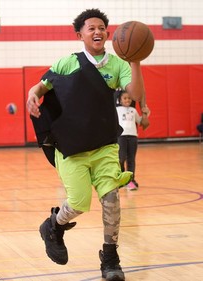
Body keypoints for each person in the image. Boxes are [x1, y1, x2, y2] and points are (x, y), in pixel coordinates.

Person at [27, 9, 146, 281]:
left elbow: (135, 94)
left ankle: (110, 256)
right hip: (71, 147)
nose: (97, 31)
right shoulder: (68, 62)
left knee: (112, 200)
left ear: (108, 33)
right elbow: (41, 87)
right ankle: (53, 225)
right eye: (91, 28)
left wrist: (136, 61)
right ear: (79, 34)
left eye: (102, 27)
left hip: (104, 145)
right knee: (79, 203)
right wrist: (31, 96)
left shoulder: (118, 65)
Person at [116, 90, 150, 190]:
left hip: (132, 137)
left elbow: (140, 121)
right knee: (121, 158)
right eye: (125, 98)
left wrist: (146, 113)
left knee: (131, 159)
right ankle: (122, 177)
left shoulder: (133, 110)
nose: (127, 100)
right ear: (120, 100)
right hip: (121, 137)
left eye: (129, 98)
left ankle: (131, 180)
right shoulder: (117, 110)